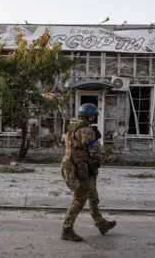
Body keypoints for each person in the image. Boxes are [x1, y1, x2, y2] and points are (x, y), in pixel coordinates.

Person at [60, 103, 116, 242]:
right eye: (94, 115)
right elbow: (96, 152)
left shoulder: (72, 127)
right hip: (81, 170)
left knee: (93, 198)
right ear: (89, 116)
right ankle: (67, 229)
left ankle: (102, 224)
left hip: (77, 167)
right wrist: (108, 153)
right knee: (79, 200)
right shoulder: (86, 131)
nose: (95, 117)